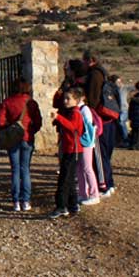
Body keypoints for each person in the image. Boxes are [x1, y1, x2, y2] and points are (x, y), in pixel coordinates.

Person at [0, 78, 42, 212]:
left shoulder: (7, 102)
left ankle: (16, 201)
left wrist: (10, 128)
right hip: (27, 138)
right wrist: (30, 130)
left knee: (15, 170)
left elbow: (0, 121)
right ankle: (26, 201)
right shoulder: (31, 103)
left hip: (12, 139)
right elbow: (38, 122)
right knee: (25, 169)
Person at [82, 49, 120, 197]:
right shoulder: (103, 73)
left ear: (90, 60)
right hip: (108, 118)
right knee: (105, 154)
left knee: (100, 154)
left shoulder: (94, 75)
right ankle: (109, 183)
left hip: (99, 119)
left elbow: (92, 98)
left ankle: (103, 186)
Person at [49, 87, 85, 219]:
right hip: (69, 149)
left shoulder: (75, 113)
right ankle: (72, 205)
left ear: (77, 100)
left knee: (64, 180)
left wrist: (59, 118)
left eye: (68, 98)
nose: (65, 101)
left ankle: (61, 206)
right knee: (68, 179)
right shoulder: (70, 112)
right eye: (64, 98)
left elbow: (73, 128)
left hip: (73, 150)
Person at [76, 92, 100, 206]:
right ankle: (82, 193)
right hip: (80, 143)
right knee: (80, 168)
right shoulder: (78, 109)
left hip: (86, 143)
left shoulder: (84, 110)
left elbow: (88, 127)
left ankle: (94, 194)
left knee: (87, 167)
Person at [112, 75, 129, 146]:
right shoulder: (113, 89)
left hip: (124, 109)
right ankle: (120, 140)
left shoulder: (125, 88)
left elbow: (137, 87)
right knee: (117, 125)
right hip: (116, 109)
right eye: (117, 82)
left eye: (120, 82)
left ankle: (126, 139)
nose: (119, 83)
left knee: (122, 123)